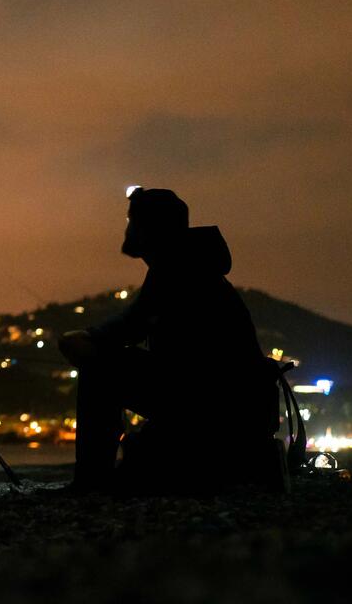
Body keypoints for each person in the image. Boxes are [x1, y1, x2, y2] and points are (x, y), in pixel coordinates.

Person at [56, 187, 267, 492]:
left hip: (209, 401)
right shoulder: (193, 261)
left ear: (150, 228)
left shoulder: (178, 265)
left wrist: (87, 338)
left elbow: (132, 324)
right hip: (220, 399)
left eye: (133, 221)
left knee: (100, 370)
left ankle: (91, 481)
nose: (128, 229)